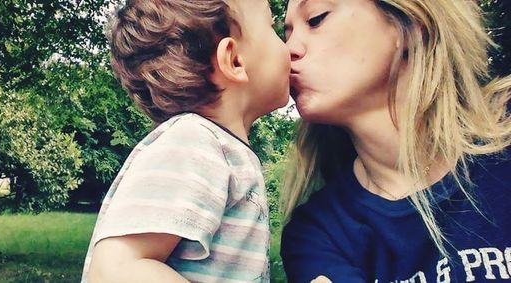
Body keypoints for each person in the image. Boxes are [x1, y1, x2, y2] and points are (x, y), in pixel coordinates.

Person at [280, 0, 511, 282]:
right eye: (286, 34)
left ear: (411, 25)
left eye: (315, 19)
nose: (288, 50)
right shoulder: (316, 234)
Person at [81, 0, 290, 282]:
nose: (289, 46)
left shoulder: (217, 148)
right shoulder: (194, 143)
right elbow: (115, 271)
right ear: (235, 60)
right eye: (273, 27)